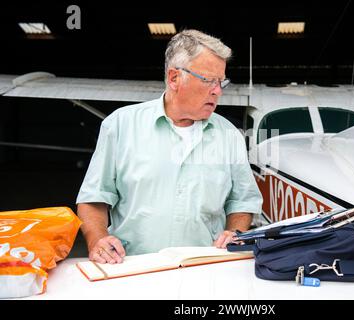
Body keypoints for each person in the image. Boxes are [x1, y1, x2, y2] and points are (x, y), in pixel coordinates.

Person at [76, 29, 263, 264]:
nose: (217, 90)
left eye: (220, 81)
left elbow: (242, 201)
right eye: (208, 80)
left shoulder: (229, 136)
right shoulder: (120, 125)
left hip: (206, 268)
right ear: (175, 78)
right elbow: (94, 197)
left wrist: (234, 233)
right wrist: (97, 239)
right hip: (132, 268)